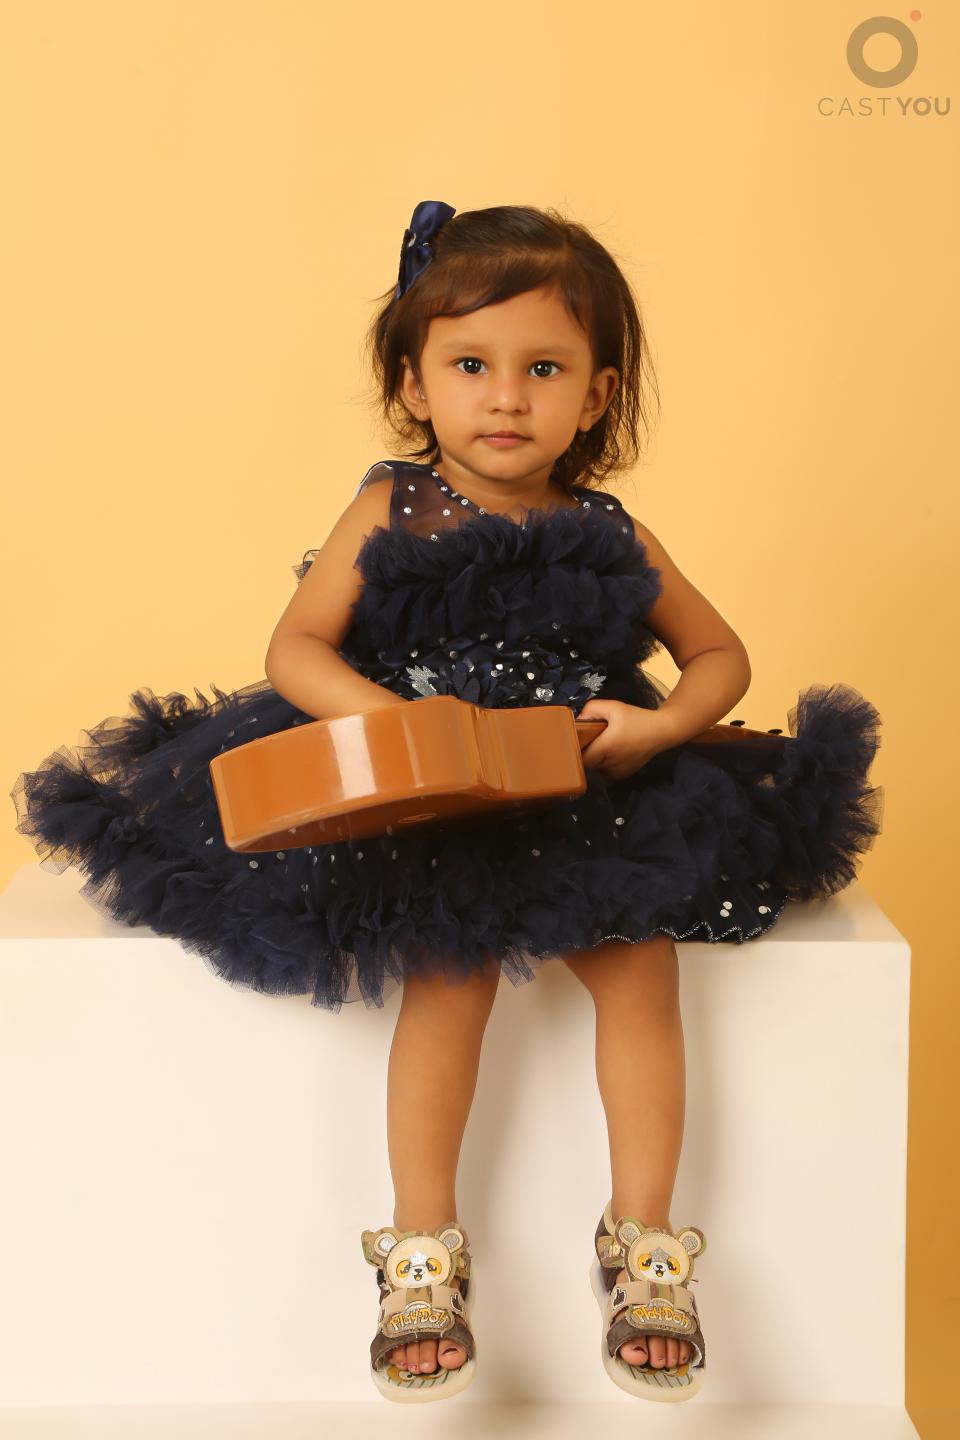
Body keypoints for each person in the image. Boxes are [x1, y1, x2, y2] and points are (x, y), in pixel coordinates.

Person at [10, 199, 884, 1405]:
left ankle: (645, 1246)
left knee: (639, 966)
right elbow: (296, 649)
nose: (506, 398)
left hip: (577, 785)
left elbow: (721, 656)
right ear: (413, 384)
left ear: (598, 393)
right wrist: (392, 725)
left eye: (544, 370)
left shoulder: (607, 528)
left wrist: (660, 724)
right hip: (425, 786)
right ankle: (421, 1252)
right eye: (471, 366)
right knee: (448, 972)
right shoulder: (391, 507)